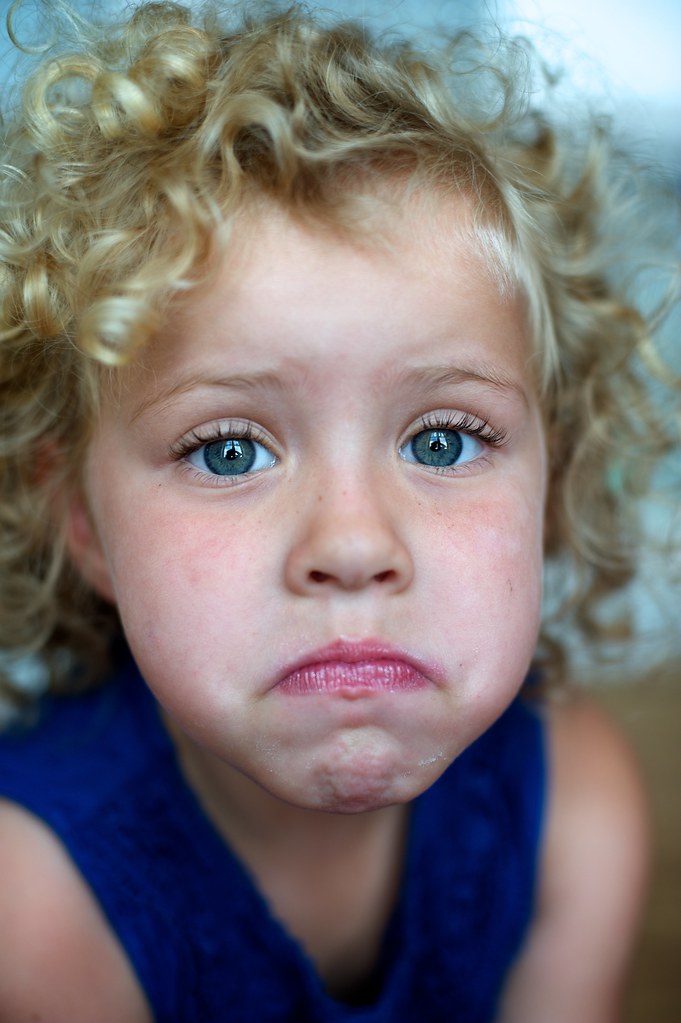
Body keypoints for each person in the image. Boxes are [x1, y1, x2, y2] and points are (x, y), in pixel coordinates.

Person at [0, 2, 678, 1020]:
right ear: (83, 522)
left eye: (443, 441)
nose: (354, 545)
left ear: (553, 482)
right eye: (229, 450)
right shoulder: (34, 908)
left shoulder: (573, 817)